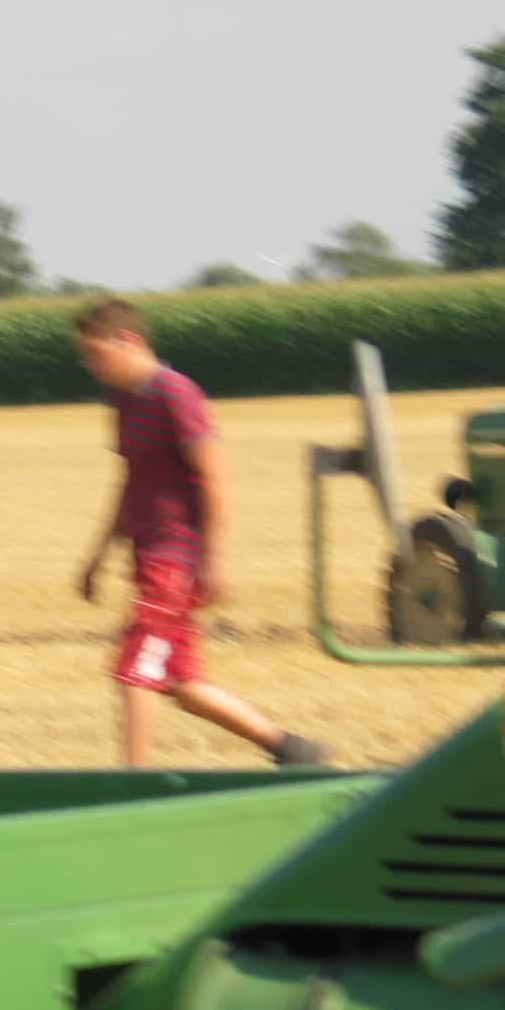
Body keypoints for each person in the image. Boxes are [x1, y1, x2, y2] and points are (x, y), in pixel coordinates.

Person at [71, 296, 330, 769]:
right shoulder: (123, 401)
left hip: (176, 560)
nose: (89, 366)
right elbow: (130, 481)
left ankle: (134, 782)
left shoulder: (176, 395)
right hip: (149, 556)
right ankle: (290, 748)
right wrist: (98, 556)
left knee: (135, 671)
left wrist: (213, 561)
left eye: (95, 353)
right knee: (183, 685)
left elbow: (215, 479)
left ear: (128, 340)